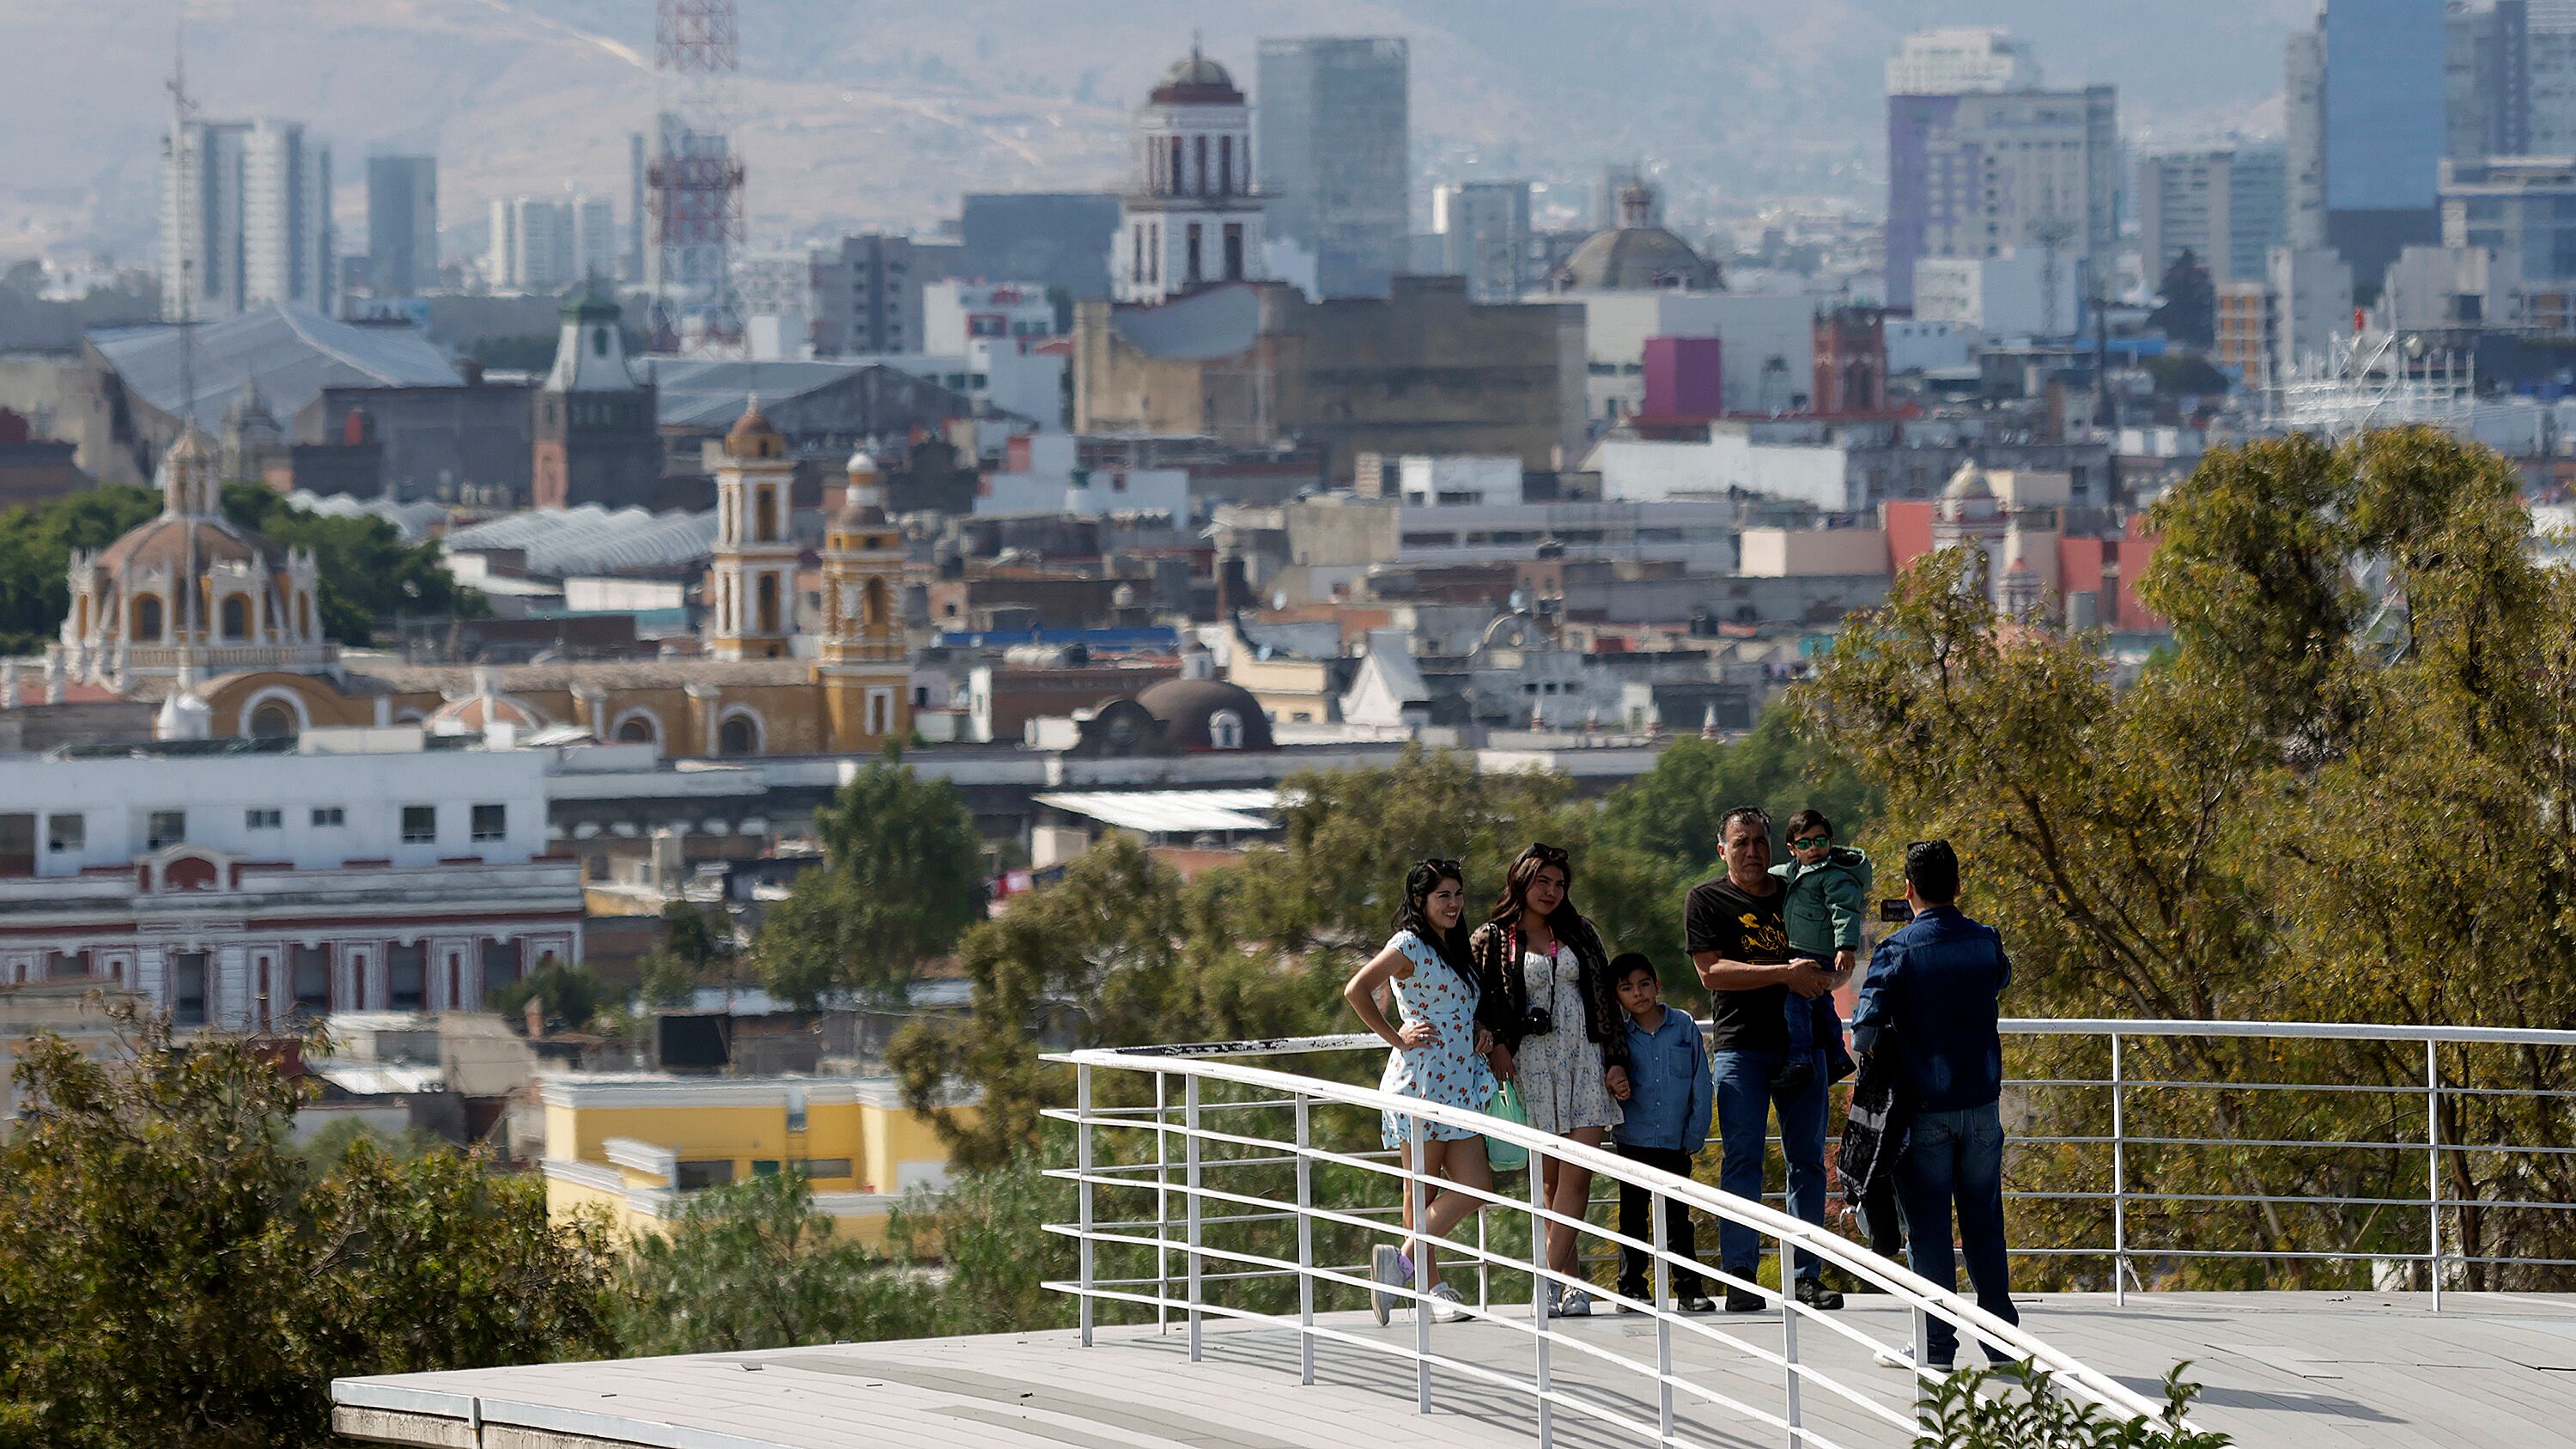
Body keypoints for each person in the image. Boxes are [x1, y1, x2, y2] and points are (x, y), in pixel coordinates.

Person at [1851, 839, 2017, 1371]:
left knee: (1928, 1231)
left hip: (1924, 1109)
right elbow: (2001, 979)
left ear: (1908, 889)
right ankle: (2003, 1346)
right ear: (1958, 886)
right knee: (1984, 1225)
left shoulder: (1897, 950)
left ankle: (1936, 1347)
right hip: (1982, 1107)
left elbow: (1864, 1033)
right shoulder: (1986, 942)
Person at [1687, 805, 1850, 1313]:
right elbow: (1712, 973)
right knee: (1742, 1161)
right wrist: (1784, 973)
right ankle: (1740, 1275)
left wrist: (1837, 965)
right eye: (1741, 843)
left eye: (1759, 841)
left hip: (1803, 1044)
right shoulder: (1706, 899)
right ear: (1723, 850)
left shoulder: (1798, 891)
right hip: (1741, 1047)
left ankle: (1805, 1276)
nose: (1752, 851)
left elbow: (1829, 965)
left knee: (1808, 1163)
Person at [1472, 842, 1627, 1318]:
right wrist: (1495, 1044)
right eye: (1543, 881)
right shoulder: (1492, 937)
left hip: (1584, 1058)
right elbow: (1478, 1002)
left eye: (1560, 884)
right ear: (1521, 879)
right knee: (1550, 1179)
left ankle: (1542, 1282)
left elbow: (1606, 997)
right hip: (1529, 1064)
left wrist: (1616, 1059)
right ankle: (1571, 1284)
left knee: (1578, 1171)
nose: (1552, 892)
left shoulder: (1579, 932)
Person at [1348, 859, 1497, 1327]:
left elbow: (1459, 1004)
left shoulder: (1455, 945)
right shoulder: (1408, 943)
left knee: (1477, 1187)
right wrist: (1396, 1037)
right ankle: (1430, 1290)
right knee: (1421, 1190)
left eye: (1457, 894)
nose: (1453, 904)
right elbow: (1357, 990)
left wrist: (1480, 1030)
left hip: (1461, 1081)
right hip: (1423, 1082)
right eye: (1442, 896)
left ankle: (1401, 1265)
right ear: (1419, 901)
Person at [1605, 953, 1716, 1313]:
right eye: (1626, 988)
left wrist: (1693, 1136)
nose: (1637, 994)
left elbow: (1702, 1083)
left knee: (1678, 1220)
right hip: (1633, 1140)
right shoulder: (1618, 1036)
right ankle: (1632, 1288)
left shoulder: (1683, 1026)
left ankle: (1688, 1290)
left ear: (1657, 986)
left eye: (1644, 984)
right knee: (1632, 1216)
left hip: (1675, 1141)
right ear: (1617, 996)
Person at [1768, 808, 1868, 1092]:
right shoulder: (1791, 873)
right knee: (1822, 1004)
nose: (1813, 848)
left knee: (1796, 1001)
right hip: (1801, 950)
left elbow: (1845, 911)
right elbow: (1771, 876)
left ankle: (1799, 1058)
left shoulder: (1833, 876)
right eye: (1804, 843)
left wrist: (1846, 947)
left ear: (1831, 842)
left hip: (1818, 952)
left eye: (1820, 841)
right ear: (1792, 849)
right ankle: (1837, 1055)